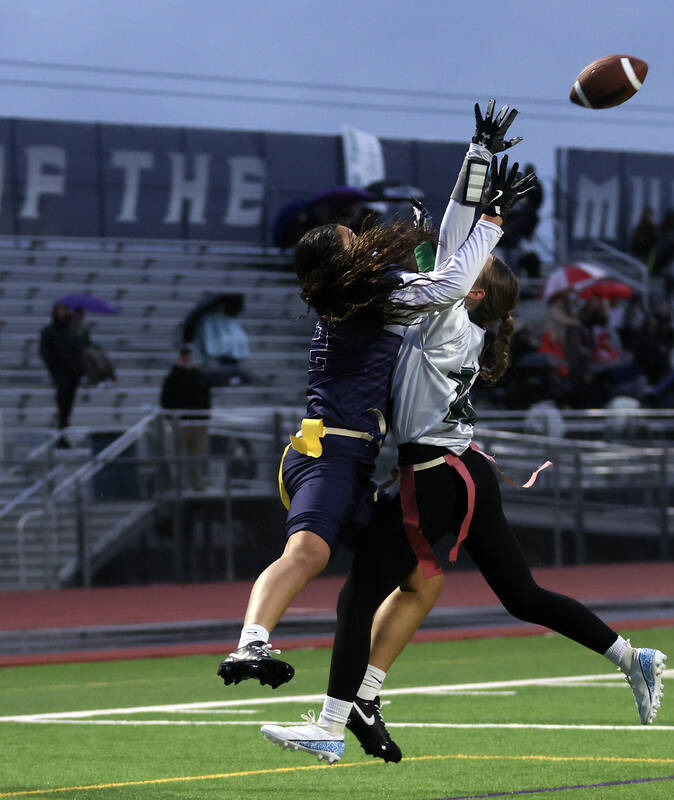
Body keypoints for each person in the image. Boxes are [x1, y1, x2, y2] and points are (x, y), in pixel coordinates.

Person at [259, 157, 666, 766]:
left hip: (434, 477)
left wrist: (492, 213)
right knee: (522, 596)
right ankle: (631, 657)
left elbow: (452, 262)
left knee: (358, 596)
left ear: (474, 290)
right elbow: (450, 251)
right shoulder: (460, 326)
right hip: (467, 468)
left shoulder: (447, 317)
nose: (444, 267)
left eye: (464, 273)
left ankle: (332, 723)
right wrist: (475, 160)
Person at [217, 99, 531, 690]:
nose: (361, 236)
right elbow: (448, 280)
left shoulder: (358, 290)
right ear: (340, 259)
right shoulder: (371, 294)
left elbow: (446, 244)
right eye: (349, 236)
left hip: (355, 459)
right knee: (309, 554)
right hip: (328, 452)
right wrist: (492, 223)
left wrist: (480, 155)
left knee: (422, 579)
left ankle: (365, 696)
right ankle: (249, 646)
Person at [160, 347, 212, 491]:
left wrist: (206, 417)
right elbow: (165, 399)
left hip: (198, 422)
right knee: (177, 455)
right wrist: (170, 418)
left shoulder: (199, 375)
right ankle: (179, 485)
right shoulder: (173, 376)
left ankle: (197, 484)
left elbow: (206, 398)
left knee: (196, 455)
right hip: (180, 423)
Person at [39, 302, 84, 447]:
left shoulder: (73, 329)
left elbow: (82, 346)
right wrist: (55, 371)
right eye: (61, 310)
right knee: (62, 406)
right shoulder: (49, 331)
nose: (64, 313)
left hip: (73, 375)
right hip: (60, 375)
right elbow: (46, 353)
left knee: (67, 407)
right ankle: (61, 435)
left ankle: (63, 434)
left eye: (66, 310)